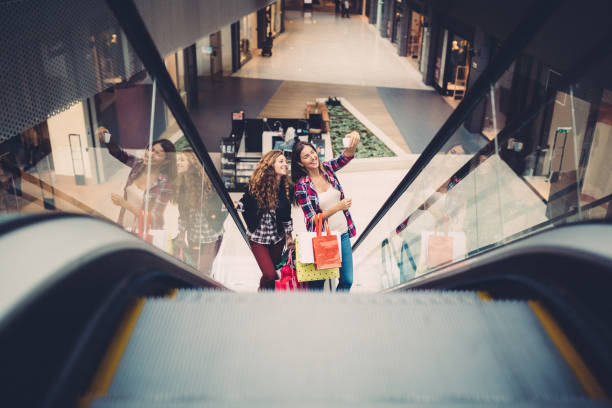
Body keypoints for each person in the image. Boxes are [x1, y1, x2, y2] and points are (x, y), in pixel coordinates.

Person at [292, 130, 360, 291]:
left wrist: (353, 143)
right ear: (300, 163)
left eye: (312, 153)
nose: (312, 157)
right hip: (322, 238)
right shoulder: (302, 186)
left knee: (347, 280)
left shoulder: (327, 169)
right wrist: (338, 207)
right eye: (306, 156)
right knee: (318, 283)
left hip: (342, 233)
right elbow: (311, 219)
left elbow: (346, 157)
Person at [97, 126, 176, 232]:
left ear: (166, 161)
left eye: (157, 153)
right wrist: (106, 137)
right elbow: (118, 153)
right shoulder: (138, 164)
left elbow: (155, 218)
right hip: (124, 225)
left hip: (144, 233)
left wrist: (124, 203)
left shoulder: (164, 183)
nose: (150, 154)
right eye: (150, 149)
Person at [236, 150, 294, 291]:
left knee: (273, 273)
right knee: (269, 275)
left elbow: (286, 216)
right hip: (258, 237)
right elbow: (246, 201)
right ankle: (262, 299)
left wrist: (289, 238)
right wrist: (236, 205)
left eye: (285, 162)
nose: (285, 164)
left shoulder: (286, 188)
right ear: (270, 164)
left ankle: (267, 299)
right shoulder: (256, 184)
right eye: (281, 161)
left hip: (277, 239)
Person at [175, 149, 225, 276]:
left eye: (182, 160)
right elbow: (183, 215)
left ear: (192, 163)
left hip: (211, 236)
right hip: (193, 236)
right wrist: (181, 234)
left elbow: (223, 207)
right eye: (178, 159)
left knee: (202, 270)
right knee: (196, 270)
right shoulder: (182, 185)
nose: (178, 162)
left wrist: (218, 223)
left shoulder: (207, 184)